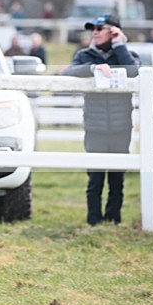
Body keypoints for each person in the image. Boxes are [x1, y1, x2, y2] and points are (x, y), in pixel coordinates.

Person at [62, 14, 140, 225]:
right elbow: (66, 72)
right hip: (95, 128)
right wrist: (93, 69)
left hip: (121, 128)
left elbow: (134, 72)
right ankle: (94, 221)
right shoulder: (84, 55)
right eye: (93, 28)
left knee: (117, 181)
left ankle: (114, 219)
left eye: (100, 28)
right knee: (95, 181)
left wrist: (119, 45)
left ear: (114, 31)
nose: (94, 32)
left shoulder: (127, 55)